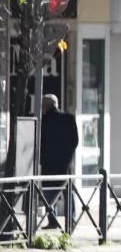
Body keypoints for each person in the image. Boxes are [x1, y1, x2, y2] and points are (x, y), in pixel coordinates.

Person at [40, 94, 79, 230]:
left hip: (49, 164)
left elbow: (40, 143)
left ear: (46, 106)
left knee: (50, 194)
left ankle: (53, 221)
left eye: (43, 105)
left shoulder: (44, 121)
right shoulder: (69, 119)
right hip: (66, 164)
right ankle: (71, 221)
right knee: (69, 193)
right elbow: (75, 141)